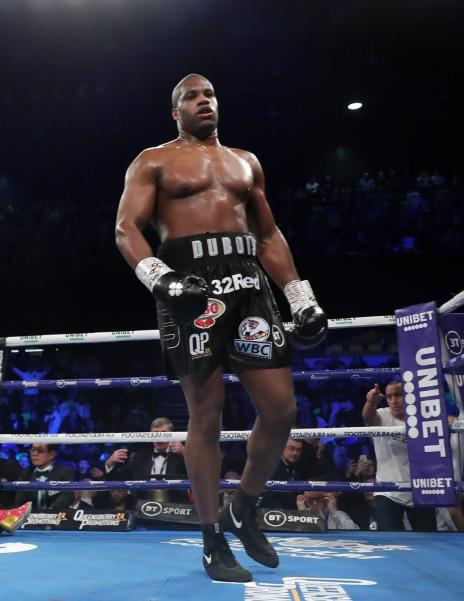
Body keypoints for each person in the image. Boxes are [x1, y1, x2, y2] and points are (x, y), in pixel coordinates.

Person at [114, 74, 327, 582]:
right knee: (205, 417)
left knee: (280, 410)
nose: (203, 101)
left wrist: (300, 296)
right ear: (176, 111)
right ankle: (212, 541)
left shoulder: (245, 161)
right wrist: (161, 280)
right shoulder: (154, 160)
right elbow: (126, 230)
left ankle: (244, 506)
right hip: (189, 288)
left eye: (209, 94)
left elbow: (268, 232)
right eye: (192, 96)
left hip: (248, 284)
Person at [362, 382, 436, 531]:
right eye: (389, 397)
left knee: (428, 541)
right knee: (390, 542)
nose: (394, 401)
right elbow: (368, 416)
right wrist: (371, 402)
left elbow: (447, 420)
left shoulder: (424, 418)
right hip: (388, 491)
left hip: (420, 489)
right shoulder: (382, 415)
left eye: (398, 395)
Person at [104, 416, 188, 503]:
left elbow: (198, 475)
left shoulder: (179, 456)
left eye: (164, 433)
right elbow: (119, 479)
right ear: (150, 435)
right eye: (155, 433)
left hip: (176, 509)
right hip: (144, 509)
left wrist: (185, 453)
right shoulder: (140, 457)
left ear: (172, 435)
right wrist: (110, 463)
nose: (159, 437)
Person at [14, 444, 75, 511]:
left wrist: (49, 514)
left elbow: (67, 496)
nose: (34, 454)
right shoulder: (25, 473)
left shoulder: (64, 472)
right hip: (30, 516)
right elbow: (19, 500)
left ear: (52, 454)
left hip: (56, 516)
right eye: (33, 450)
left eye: (40, 451)